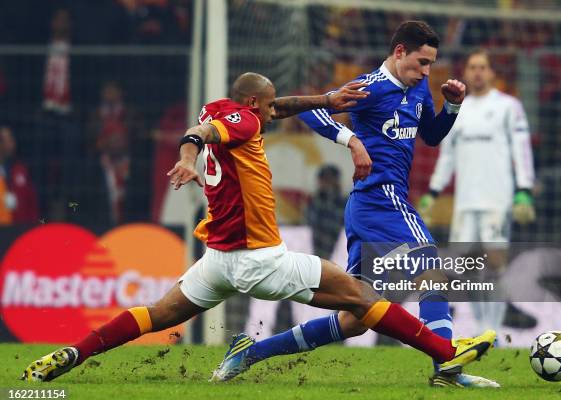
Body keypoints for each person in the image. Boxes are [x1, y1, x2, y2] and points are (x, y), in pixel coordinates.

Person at [21, 73, 495, 383]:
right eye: (267, 110)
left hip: (217, 263)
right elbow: (203, 134)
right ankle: (444, 350)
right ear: (252, 105)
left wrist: (327, 100)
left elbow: (255, 112)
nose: (273, 116)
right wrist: (187, 155)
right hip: (260, 260)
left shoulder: (221, 108)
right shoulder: (243, 123)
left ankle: (73, 354)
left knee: (155, 315)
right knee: (362, 298)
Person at [214, 21, 499, 388]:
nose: (426, 71)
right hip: (384, 198)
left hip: (366, 206)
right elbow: (310, 110)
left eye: (430, 64)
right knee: (431, 269)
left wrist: (453, 107)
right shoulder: (371, 87)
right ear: (399, 53)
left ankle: (249, 353)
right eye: (421, 62)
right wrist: (351, 140)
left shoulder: (419, 87)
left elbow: (430, 135)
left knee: (356, 317)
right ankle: (448, 367)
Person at [418, 49, 536, 334]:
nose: (478, 72)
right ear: (466, 72)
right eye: (472, 67)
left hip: (497, 199)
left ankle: (493, 329)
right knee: (468, 268)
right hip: (466, 201)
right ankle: (483, 327)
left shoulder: (509, 107)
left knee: (495, 263)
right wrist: (432, 193)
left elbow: (521, 149)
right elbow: (447, 156)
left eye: (483, 67)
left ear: (492, 72)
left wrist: (524, 189)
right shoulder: (459, 108)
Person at [0, 126, 39, 224]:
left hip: (20, 229)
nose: (9, 144)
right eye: (4, 140)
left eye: (11, 139)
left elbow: (32, 202)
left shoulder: (21, 170)